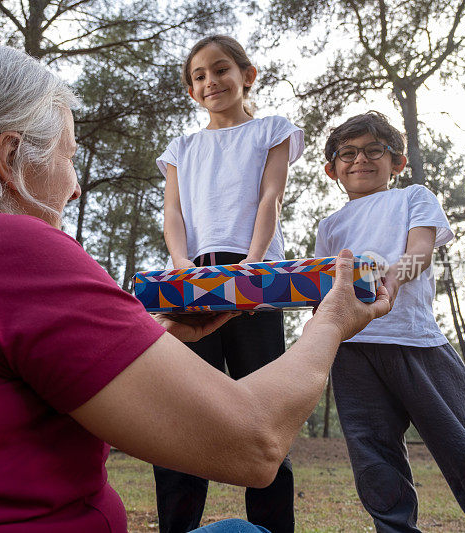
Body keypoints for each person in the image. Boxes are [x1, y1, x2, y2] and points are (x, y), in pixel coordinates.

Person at [0, 41, 390, 533]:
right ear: (11, 158)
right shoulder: (8, 248)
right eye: (71, 158)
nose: (75, 189)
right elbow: (255, 445)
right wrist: (331, 321)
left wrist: (157, 334)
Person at [314, 111, 465, 533]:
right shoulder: (330, 225)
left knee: (463, 448)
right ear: (332, 169)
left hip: (414, 340)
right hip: (354, 350)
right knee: (373, 457)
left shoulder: (413, 197)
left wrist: (390, 283)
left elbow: (420, 252)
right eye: (348, 153)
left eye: (375, 150)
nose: (361, 159)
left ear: (397, 162)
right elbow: (324, 283)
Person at [156, 35, 305, 533]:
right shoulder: (182, 147)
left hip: (256, 281)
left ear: (248, 74)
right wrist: (181, 264)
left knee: (262, 414)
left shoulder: (272, 130)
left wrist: (255, 264)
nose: (209, 82)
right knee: (183, 417)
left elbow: (270, 199)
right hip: (194, 282)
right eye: (198, 76)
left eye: (220, 70)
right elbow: (173, 212)